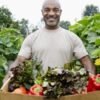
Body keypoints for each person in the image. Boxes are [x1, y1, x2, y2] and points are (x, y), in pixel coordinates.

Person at [3, 0, 95, 82]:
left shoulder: (72, 37)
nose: (51, 13)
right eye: (47, 10)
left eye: (55, 10)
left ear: (60, 12)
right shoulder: (31, 38)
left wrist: (92, 78)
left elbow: (86, 61)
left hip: (66, 91)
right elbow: (19, 61)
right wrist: (8, 76)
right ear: (42, 12)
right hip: (38, 92)